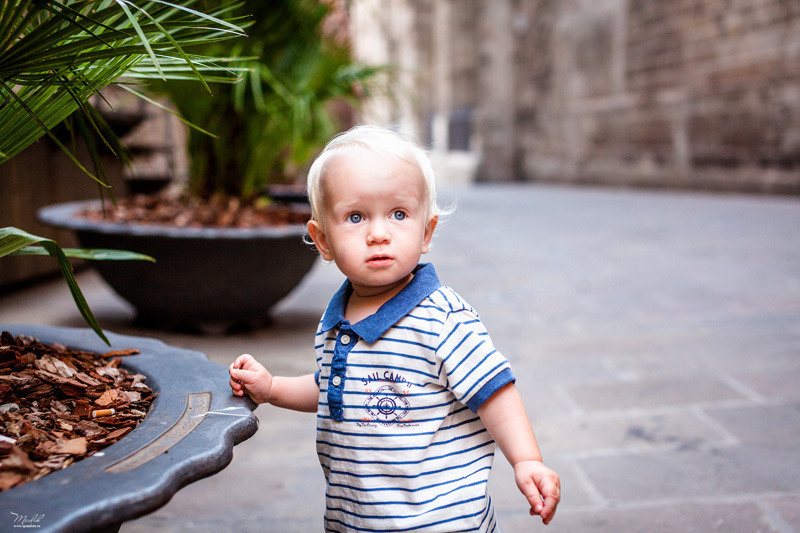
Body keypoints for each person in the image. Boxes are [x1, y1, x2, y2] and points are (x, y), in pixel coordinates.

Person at [229, 125, 560, 532]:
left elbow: (494, 391)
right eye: (355, 217)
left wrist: (527, 460)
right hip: (356, 520)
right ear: (323, 240)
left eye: (399, 214)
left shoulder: (441, 319)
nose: (379, 234)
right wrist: (272, 388)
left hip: (441, 521)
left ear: (426, 232)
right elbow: (332, 387)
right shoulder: (337, 317)